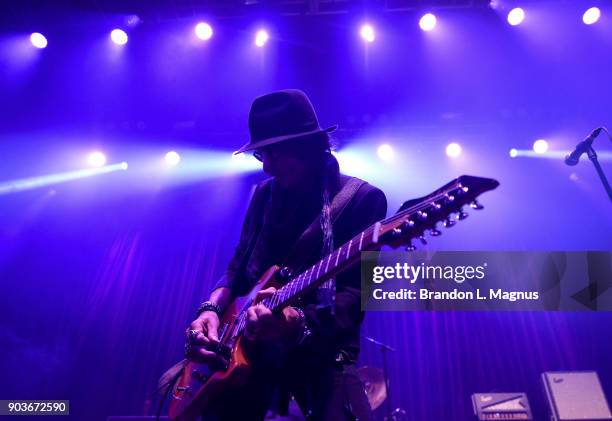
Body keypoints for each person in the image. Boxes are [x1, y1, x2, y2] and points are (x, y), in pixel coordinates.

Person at [184, 89, 387, 421]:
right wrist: (210, 309)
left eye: (275, 154)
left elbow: (353, 298)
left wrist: (295, 322)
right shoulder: (264, 195)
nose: (267, 167)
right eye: (261, 155)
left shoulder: (362, 200)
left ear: (308, 146)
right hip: (247, 363)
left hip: (319, 366)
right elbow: (238, 266)